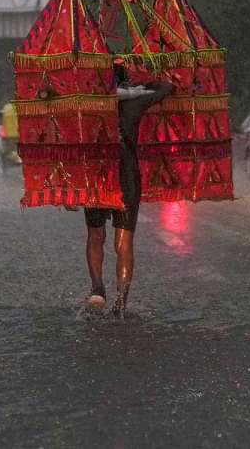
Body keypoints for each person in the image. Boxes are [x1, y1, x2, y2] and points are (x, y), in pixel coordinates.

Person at [82, 62, 174, 317]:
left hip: (97, 172)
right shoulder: (135, 103)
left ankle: (98, 289)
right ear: (124, 82)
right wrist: (144, 84)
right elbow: (168, 87)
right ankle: (121, 301)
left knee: (95, 233)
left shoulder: (87, 103)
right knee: (124, 239)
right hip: (126, 173)